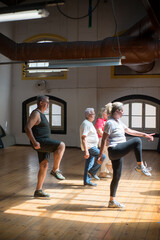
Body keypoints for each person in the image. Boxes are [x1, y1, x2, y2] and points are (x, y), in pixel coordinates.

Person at [98, 102, 154, 208]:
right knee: (137, 141)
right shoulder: (109, 123)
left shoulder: (118, 122)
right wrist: (100, 155)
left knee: (116, 176)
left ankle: (111, 201)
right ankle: (140, 166)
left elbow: (129, 131)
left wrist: (145, 134)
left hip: (118, 151)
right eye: (122, 110)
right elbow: (103, 139)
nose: (123, 112)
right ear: (117, 111)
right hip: (114, 150)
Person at [25, 95, 65, 198]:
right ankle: (55, 170)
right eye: (47, 102)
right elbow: (27, 128)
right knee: (61, 145)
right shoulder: (36, 113)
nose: (48, 104)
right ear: (41, 103)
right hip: (40, 142)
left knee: (44, 164)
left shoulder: (41, 114)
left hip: (43, 142)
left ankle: (38, 190)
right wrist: (34, 142)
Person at [80, 108, 105, 186]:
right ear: (88, 115)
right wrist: (86, 151)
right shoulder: (86, 124)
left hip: (92, 146)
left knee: (89, 164)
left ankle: (86, 181)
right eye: (93, 114)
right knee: (102, 156)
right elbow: (83, 138)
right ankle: (93, 171)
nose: (94, 115)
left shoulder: (89, 123)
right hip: (90, 147)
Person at [95, 107, 113, 178]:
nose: (108, 114)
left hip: (105, 139)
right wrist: (106, 137)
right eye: (106, 113)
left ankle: (104, 172)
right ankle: (103, 172)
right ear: (102, 113)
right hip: (102, 139)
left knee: (107, 155)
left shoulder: (105, 120)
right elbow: (99, 131)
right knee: (106, 156)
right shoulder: (99, 120)